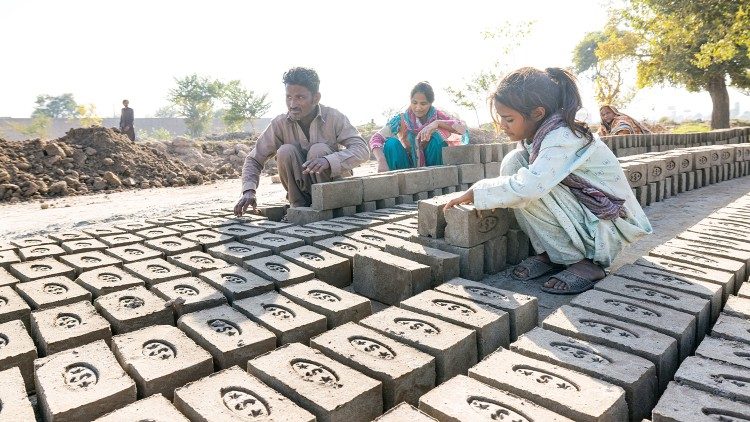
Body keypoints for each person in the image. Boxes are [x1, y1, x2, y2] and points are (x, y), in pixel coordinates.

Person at [445, 67, 652, 294]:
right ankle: (553, 254)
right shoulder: (537, 137)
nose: (502, 125)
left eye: (509, 119)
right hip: (586, 213)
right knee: (513, 163)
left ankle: (588, 263)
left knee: (530, 186)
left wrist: (480, 191)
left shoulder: (563, 136)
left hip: (609, 224)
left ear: (537, 113)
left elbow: (530, 187)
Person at [234, 67, 369, 216]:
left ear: (316, 98)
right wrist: (248, 190)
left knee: (319, 151)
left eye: (300, 97)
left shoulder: (334, 117)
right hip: (300, 192)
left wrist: (329, 160)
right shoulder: (279, 124)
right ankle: (298, 208)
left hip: (335, 194)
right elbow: (254, 159)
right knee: (285, 151)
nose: (292, 104)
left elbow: (362, 149)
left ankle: (330, 210)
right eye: (289, 97)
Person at [370, 82, 469, 172]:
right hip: (407, 166)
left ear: (430, 103)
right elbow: (376, 138)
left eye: (423, 104)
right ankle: (402, 184)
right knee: (391, 143)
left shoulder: (438, 116)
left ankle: (436, 181)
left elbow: (463, 128)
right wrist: (381, 161)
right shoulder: (401, 119)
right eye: (414, 102)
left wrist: (437, 123)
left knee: (436, 137)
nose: (418, 107)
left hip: (433, 166)